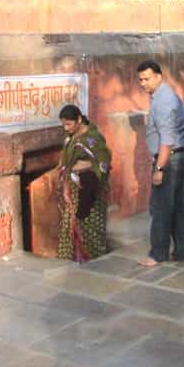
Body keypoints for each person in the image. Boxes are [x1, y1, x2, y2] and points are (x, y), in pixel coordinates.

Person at [136, 60, 184, 267]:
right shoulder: (161, 95)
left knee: (160, 208)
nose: (143, 83)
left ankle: (157, 253)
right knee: (178, 208)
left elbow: (167, 140)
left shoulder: (163, 102)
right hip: (180, 156)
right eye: (140, 80)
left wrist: (159, 168)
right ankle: (181, 252)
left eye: (147, 79)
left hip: (170, 160)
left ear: (158, 77)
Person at [57, 104, 112, 263]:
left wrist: (85, 165)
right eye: (64, 125)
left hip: (89, 190)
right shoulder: (71, 136)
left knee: (89, 226)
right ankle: (72, 259)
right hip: (72, 190)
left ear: (79, 119)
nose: (66, 128)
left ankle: (95, 260)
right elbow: (66, 158)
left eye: (69, 124)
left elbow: (104, 162)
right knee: (69, 226)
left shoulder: (93, 138)